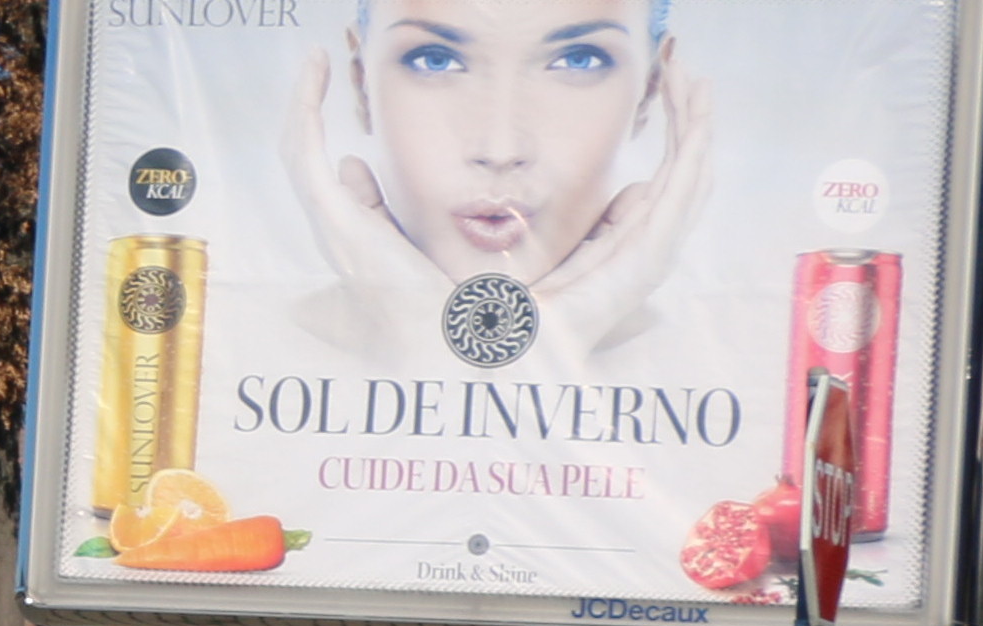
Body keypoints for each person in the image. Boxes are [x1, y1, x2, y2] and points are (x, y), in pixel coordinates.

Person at [284, 0, 713, 361]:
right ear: (362, 84)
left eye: (577, 59)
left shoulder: (720, 370)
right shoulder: (251, 348)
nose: (501, 150)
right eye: (435, 60)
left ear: (651, 87)